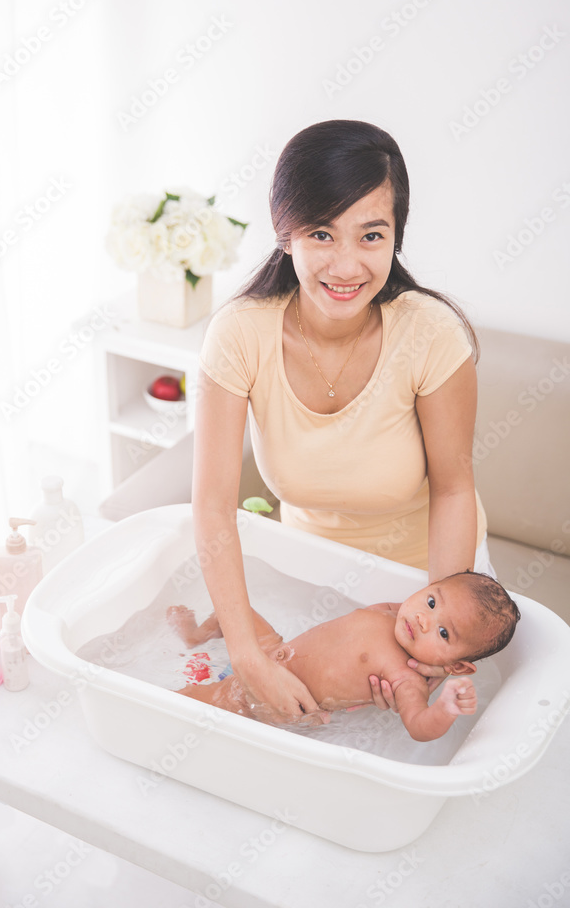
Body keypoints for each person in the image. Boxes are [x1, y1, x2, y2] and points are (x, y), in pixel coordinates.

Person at [193, 119, 491, 725]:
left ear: (396, 238)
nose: (347, 264)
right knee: (249, 711)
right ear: (287, 234)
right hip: (305, 570)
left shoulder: (430, 334)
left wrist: (430, 642)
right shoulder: (240, 335)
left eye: (371, 235)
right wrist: (248, 656)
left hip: (425, 589)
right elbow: (212, 506)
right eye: (323, 233)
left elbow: (455, 488)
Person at [168, 571, 520, 741]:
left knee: (182, 704)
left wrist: (444, 708)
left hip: (269, 699)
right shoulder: (394, 613)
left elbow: (418, 726)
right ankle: (196, 635)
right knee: (235, 612)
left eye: (443, 633)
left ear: (456, 666)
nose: (423, 619)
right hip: (272, 648)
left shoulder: (406, 676)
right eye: (431, 601)